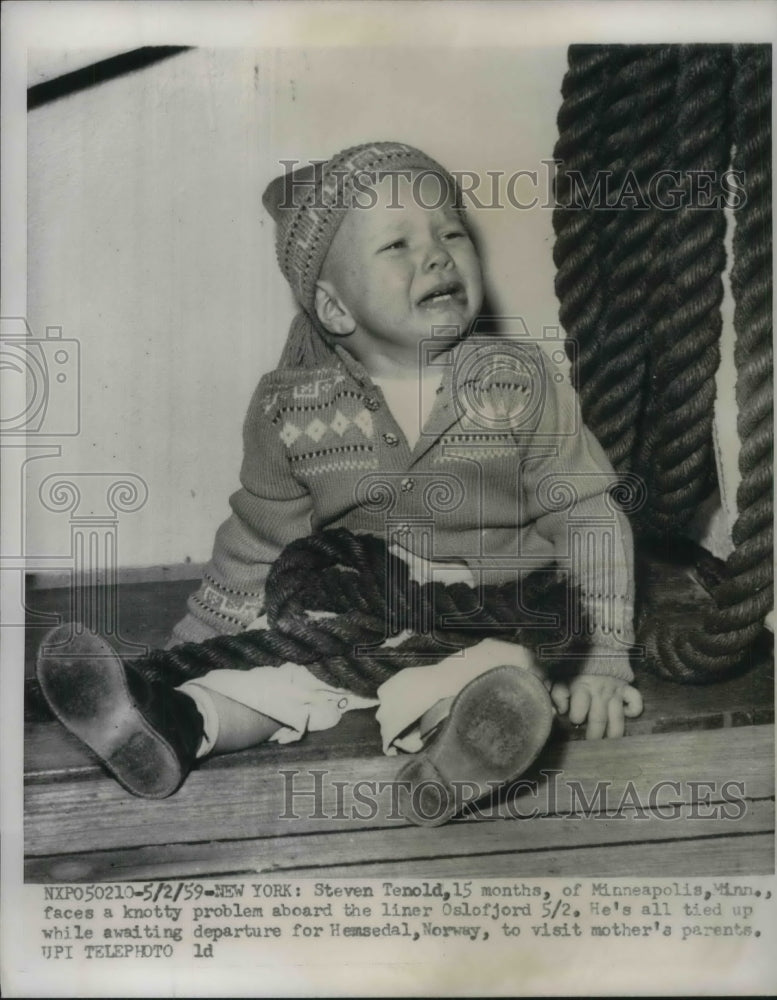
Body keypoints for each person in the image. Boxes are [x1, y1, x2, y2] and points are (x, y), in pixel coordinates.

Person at [37, 141, 642, 826]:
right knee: (272, 676)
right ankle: (173, 724)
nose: (439, 255)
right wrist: (186, 651)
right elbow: (257, 543)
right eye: (397, 246)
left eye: (450, 232)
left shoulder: (518, 381)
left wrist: (606, 657)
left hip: (482, 607)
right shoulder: (288, 408)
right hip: (351, 604)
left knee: (493, 674)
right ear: (333, 307)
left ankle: (457, 755)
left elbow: (588, 515)